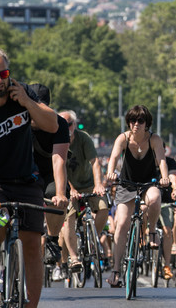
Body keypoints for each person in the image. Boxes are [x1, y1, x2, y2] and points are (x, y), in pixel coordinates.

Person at [0, 46, 59, 308]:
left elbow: (52, 125)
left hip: (26, 180)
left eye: (3, 74)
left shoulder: (22, 92)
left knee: (31, 244)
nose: (0, 81)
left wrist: (28, 103)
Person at [105, 105, 170, 287]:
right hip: (127, 184)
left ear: (147, 123)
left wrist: (165, 177)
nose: (136, 124)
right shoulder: (123, 138)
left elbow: (162, 160)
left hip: (149, 183)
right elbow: (114, 158)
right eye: (133, 120)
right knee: (121, 224)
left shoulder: (154, 139)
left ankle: (151, 232)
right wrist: (110, 173)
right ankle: (116, 270)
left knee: (155, 198)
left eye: (140, 121)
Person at [58, 110, 109, 280]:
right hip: (67, 185)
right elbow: (60, 168)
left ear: (75, 124)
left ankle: (93, 238)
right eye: (63, 124)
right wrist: (70, 189)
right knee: (70, 216)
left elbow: (94, 162)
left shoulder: (84, 138)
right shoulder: (57, 138)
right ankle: (73, 259)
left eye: (70, 124)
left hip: (88, 184)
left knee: (103, 207)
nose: (67, 127)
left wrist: (98, 184)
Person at [26, 84, 69, 280]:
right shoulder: (19, 121)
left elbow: (59, 160)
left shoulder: (59, 124)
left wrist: (61, 193)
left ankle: (52, 240)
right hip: (24, 171)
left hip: (49, 172)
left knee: (58, 195)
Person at [158, 147, 176, 281]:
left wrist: (175, 189)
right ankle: (142, 240)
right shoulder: (144, 160)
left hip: (164, 202)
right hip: (147, 203)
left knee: (167, 231)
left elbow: (172, 176)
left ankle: (166, 265)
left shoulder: (170, 162)